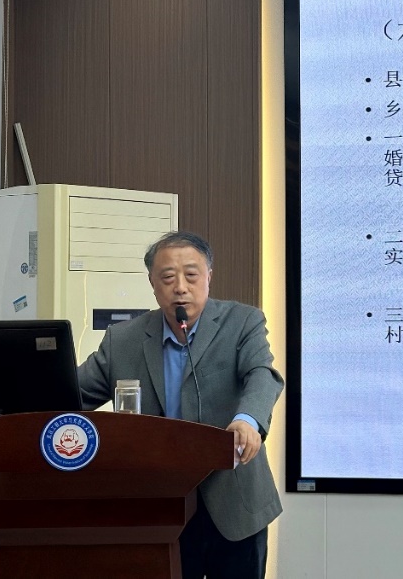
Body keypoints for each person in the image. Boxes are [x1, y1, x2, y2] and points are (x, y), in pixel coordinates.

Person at [78, 231, 283, 579]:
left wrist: (248, 420)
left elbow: (261, 375)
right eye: (168, 277)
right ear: (152, 283)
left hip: (233, 503)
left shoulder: (242, 322)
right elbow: (74, 392)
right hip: (160, 506)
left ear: (208, 277)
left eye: (191, 275)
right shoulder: (123, 339)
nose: (181, 288)